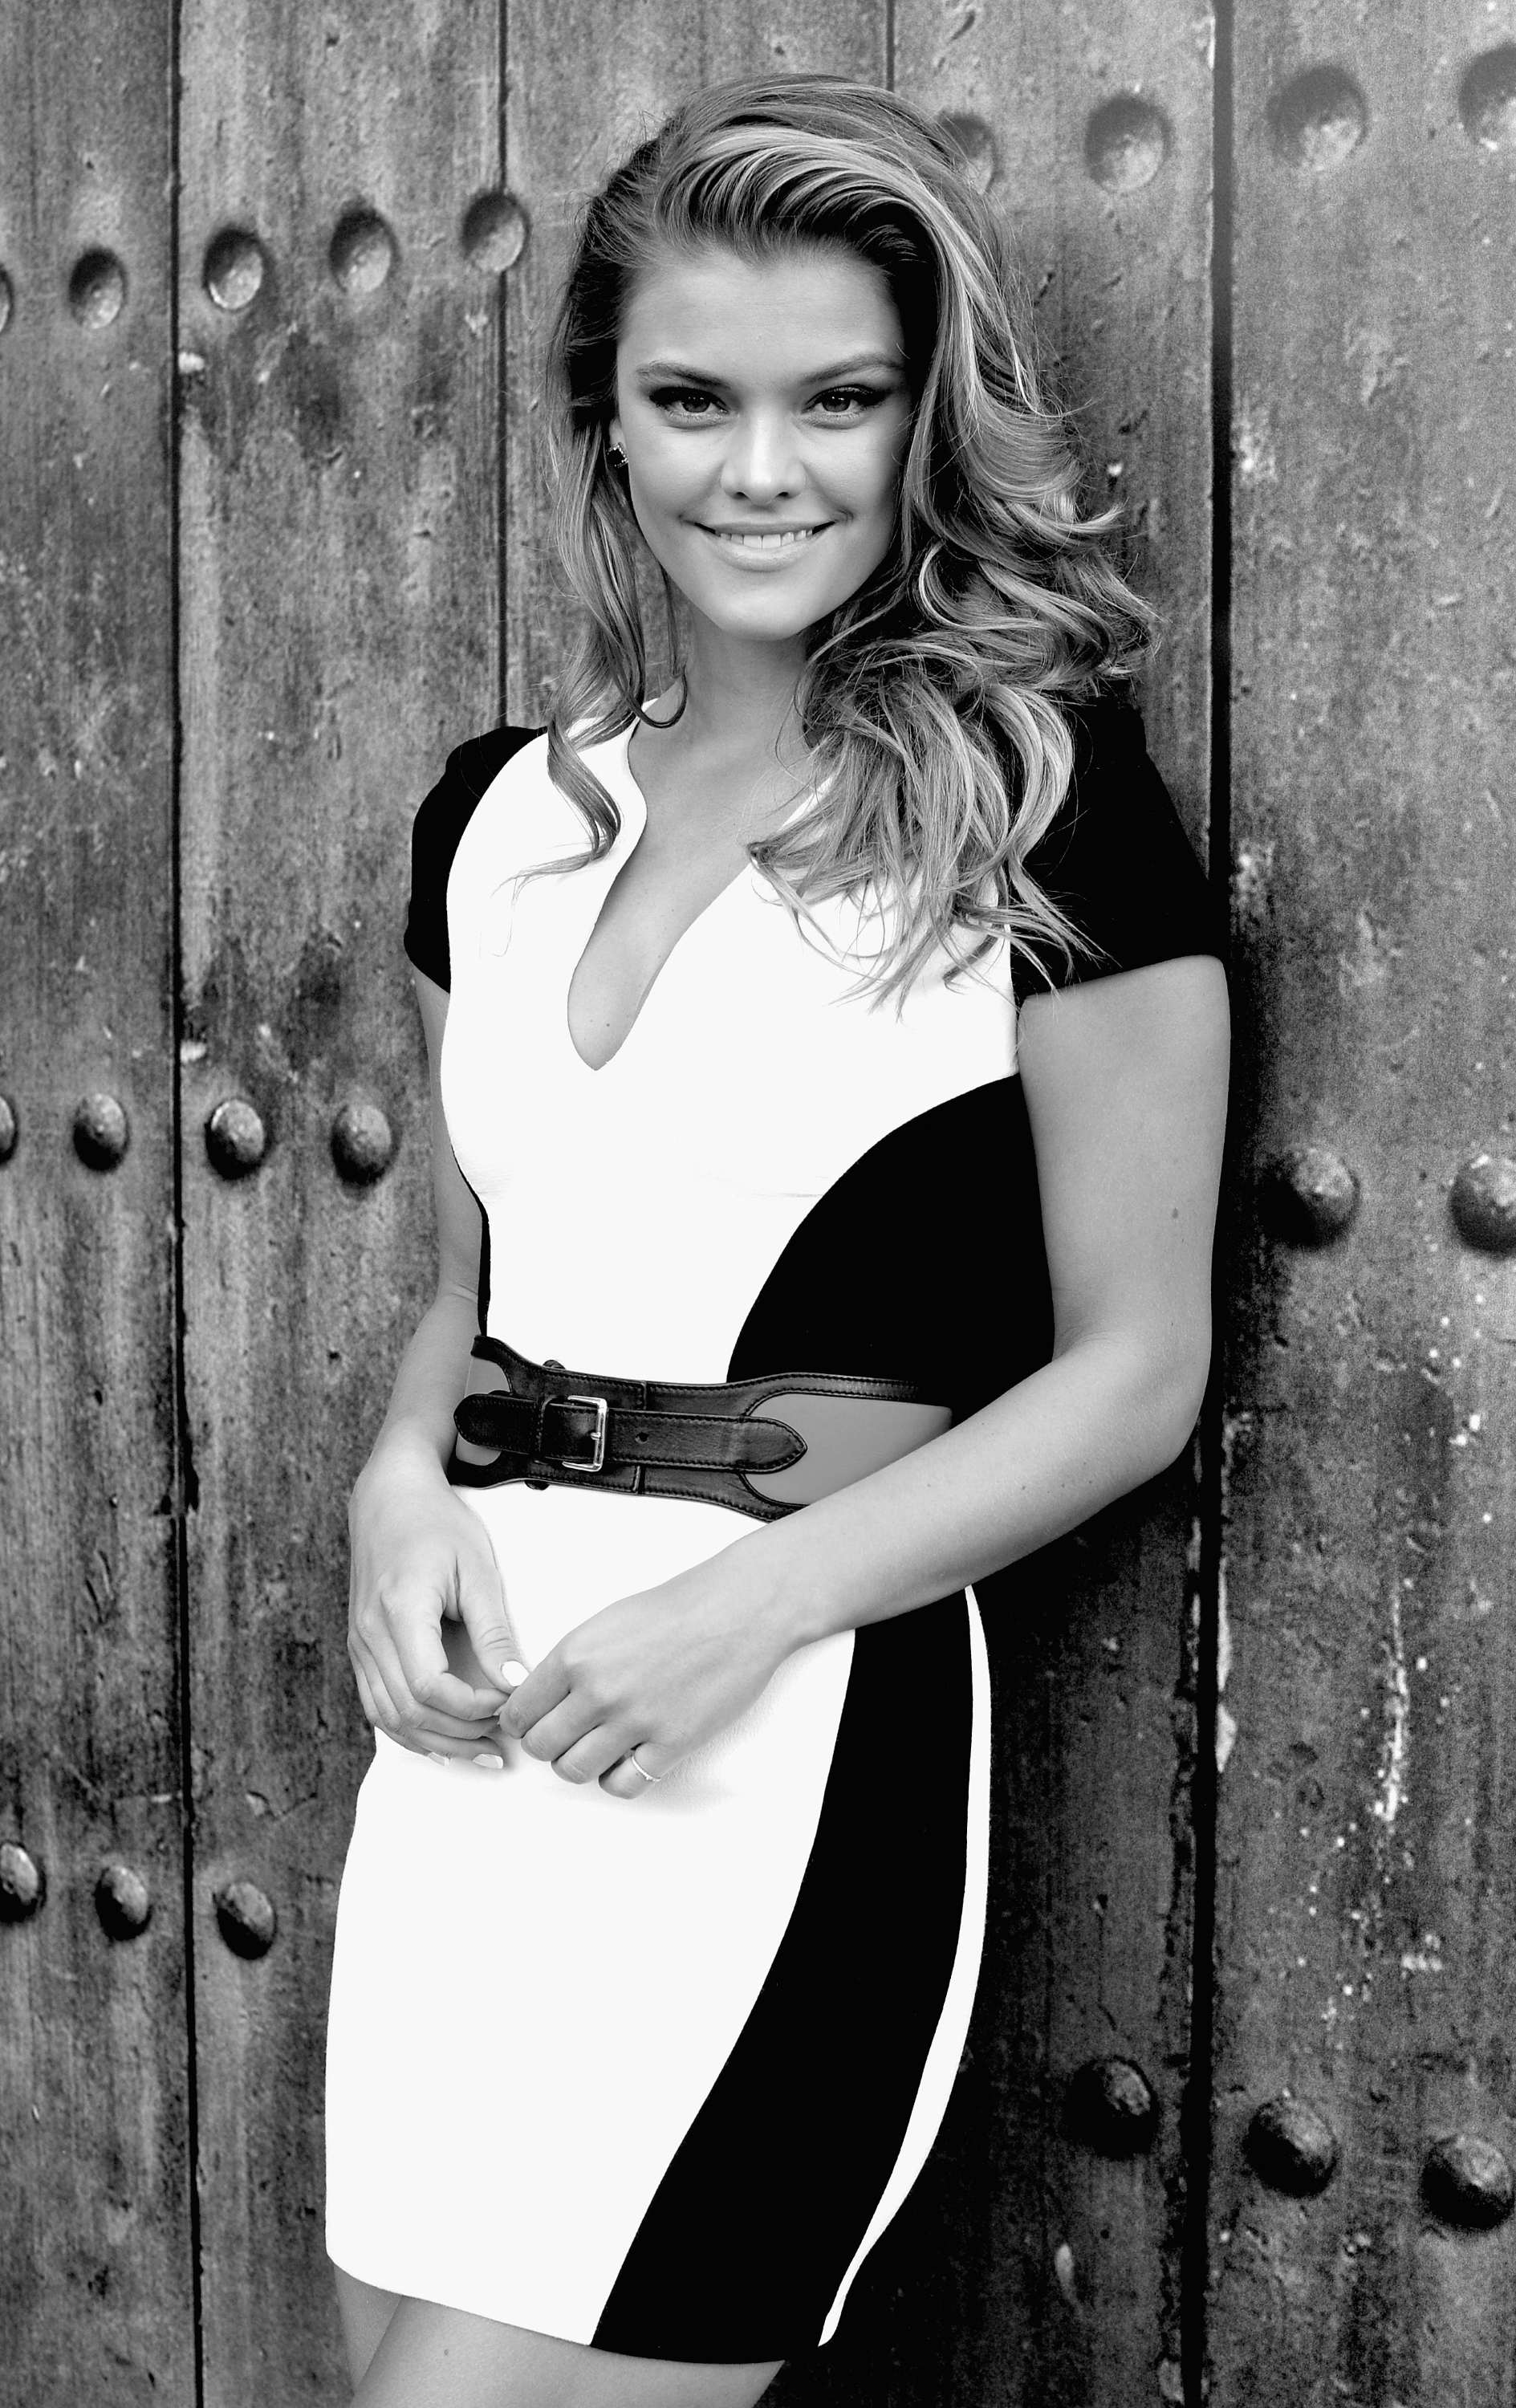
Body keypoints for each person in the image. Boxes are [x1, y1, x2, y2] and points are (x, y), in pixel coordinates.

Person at [323, 71, 1229, 2408]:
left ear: (927, 419)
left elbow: (1134, 1373)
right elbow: (473, 1290)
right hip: (473, 1747)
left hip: (786, 1743)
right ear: (602, 419)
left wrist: (750, 1604)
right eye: (690, 400)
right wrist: (398, 1482)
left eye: (839, 399)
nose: (761, 470)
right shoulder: (496, 823)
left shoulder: (1042, 810)